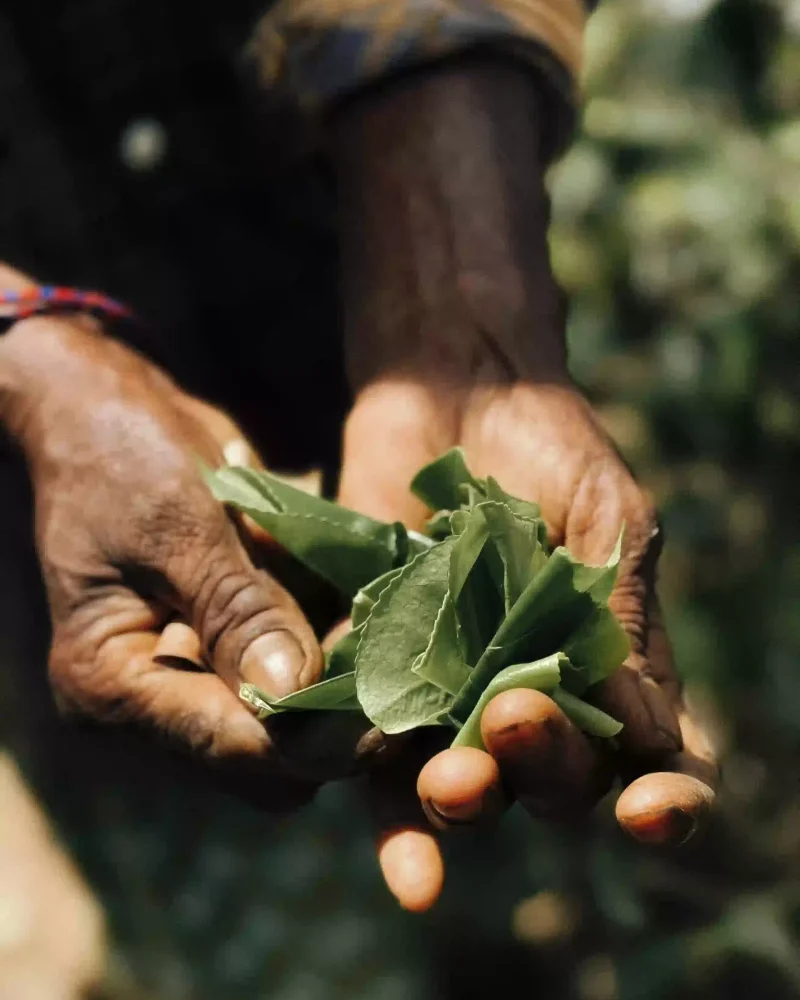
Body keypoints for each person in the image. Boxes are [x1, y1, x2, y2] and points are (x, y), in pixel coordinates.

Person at [0, 0, 717, 915]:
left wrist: (463, 299)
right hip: (53, 546)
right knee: (233, 880)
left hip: (333, 266)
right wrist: (28, 362)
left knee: (524, 836)